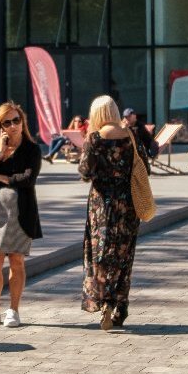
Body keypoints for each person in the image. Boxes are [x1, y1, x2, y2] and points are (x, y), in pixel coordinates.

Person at [0, 101, 41, 329]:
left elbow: (28, 179)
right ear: (0, 126)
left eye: (16, 120)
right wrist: (1, 152)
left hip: (21, 214)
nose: (13, 126)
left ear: (22, 122)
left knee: (17, 261)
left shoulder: (32, 149)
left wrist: (3, 178)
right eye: (7, 122)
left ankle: (14, 310)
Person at [80, 96, 140, 331]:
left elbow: (85, 171)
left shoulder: (94, 138)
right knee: (124, 254)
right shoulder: (131, 135)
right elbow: (143, 163)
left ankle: (104, 300)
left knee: (101, 254)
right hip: (128, 203)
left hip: (102, 206)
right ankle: (120, 305)